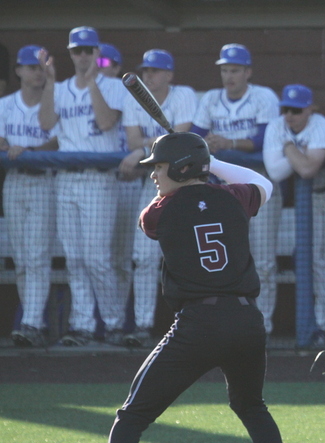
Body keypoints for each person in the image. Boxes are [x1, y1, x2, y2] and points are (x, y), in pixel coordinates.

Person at [77, 132, 305, 443]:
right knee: (251, 406)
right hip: (248, 321)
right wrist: (209, 165)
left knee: (130, 416)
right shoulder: (234, 198)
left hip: (199, 325)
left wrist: (199, 168)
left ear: (181, 168)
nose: (154, 175)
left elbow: (147, 218)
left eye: (160, 167)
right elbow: (263, 183)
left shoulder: (160, 212)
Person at [37, 26, 128, 346]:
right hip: (66, 179)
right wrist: (49, 84)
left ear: (97, 54)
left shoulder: (113, 86)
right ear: (71, 53)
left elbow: (106, 123)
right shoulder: (59, 89)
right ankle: (83, 324)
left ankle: (114, 322)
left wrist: (91, 84)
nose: (83, 55)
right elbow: (46, 123)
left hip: (98, 178)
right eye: (78, 50)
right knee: (74, 258)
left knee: (97, 258)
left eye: (89, 50)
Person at [191, 43, 281, 344]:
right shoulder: (212, 99)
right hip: (221, 189)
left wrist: (226, 142)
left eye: (234, 69)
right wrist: (208, 143)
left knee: (265, 260)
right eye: (224, 69)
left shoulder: (263, 96)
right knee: (225, 258)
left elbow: (262, 139)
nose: (229, 75)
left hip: (259, 186)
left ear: (247, 72)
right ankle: (228, 322)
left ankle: (263, 323)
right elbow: (195, 134)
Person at [263, 84, 325, 347]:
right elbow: (276, 172)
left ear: (310, 110)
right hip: (312, 196)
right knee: (309, 256)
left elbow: (306, 169)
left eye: (296, 110)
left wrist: (289, 149)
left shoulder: (321, 125)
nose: (289, 115)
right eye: (286, 109)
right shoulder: (275, 126)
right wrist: (298, 156)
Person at [119, 49, 197, 347]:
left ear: (169, 75)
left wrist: (143, 149)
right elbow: (131, 140)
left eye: (154, 71)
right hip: (154, 183)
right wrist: (147, 146)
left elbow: (183, 136)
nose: (148, 76)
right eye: (146, 71)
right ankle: (142, 325)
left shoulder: (184, 94)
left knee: (187, 258)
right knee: (143, 257)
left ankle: (191, 322)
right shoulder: (132, 98)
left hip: (186, 186)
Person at [1, 45, 59, 347]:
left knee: (37, 256)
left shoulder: (53, 100)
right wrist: (8, 146)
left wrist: (30, 151)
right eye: (31, 67)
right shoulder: (6, 104)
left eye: (41, 67)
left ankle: (32, 321)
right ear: (19, 71)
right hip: (14, 181)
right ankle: (31, 320)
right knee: (21, 259)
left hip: (43, 181)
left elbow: (60, 140)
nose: (37, 72)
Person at [97, 42, 141, 336]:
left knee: (125, 256)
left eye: (105, 63)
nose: (100, 68)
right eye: (97, 63)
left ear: (116, 67)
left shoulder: (131, 95)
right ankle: (102, 319)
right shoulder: (92, 96)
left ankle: (121, 320)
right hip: (101, 183)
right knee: (101, 255)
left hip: (131, 186)